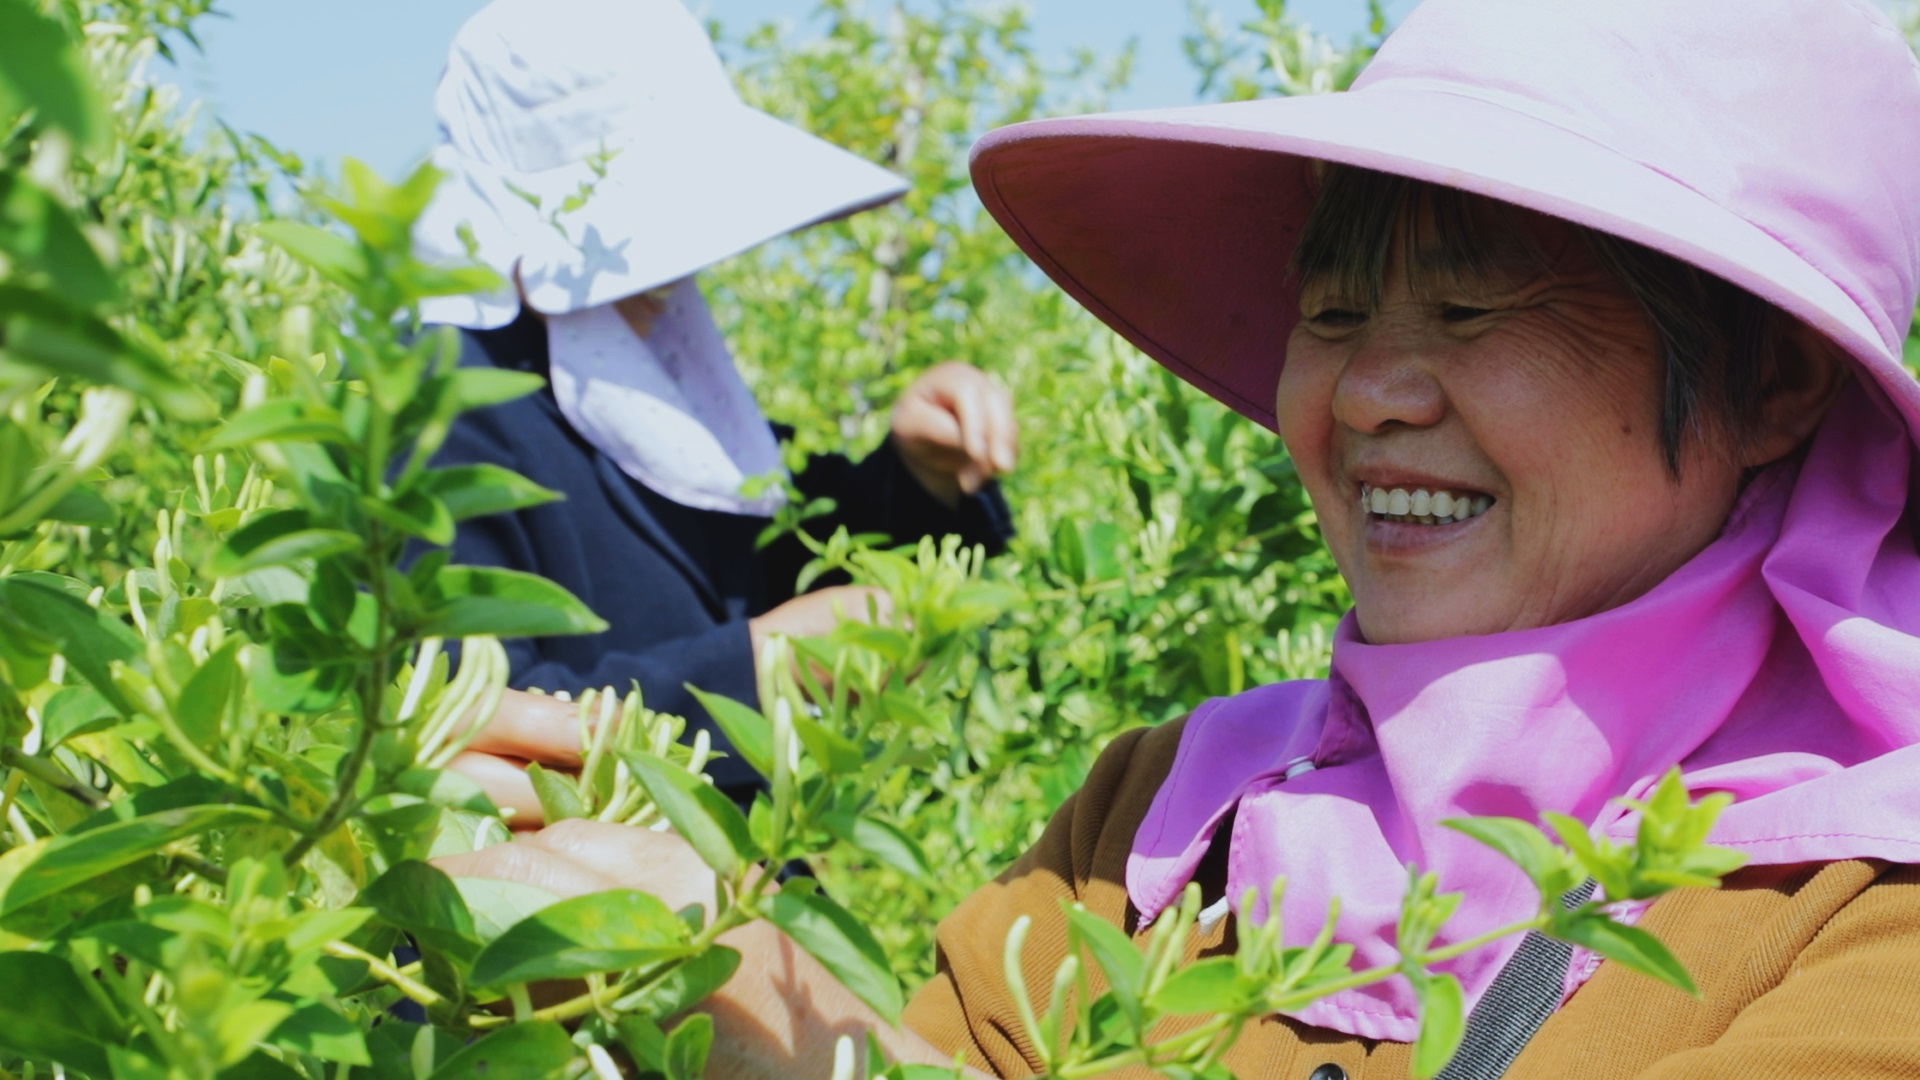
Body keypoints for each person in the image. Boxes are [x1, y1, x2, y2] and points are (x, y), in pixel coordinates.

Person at [443, 0, 1920, 1074]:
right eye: (1332, 313)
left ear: (1770, 379)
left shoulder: (1860, 908)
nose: (1367, 393)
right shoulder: (1165, 824)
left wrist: (791, 1033)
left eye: (1477, 310)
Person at [410, 0, 1018, 810]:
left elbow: (777, 539)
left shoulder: (649, 372)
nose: (669, 276)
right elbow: (467, 723)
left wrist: (912, 474)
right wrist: (760, 666)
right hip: (567, 918)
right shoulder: (440, 412)